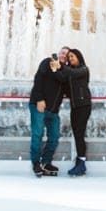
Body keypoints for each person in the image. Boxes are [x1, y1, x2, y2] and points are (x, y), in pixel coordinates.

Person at [29, 46, 69, 176]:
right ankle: (36, 164)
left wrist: (58, 69)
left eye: (67, 55)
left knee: (54, 137)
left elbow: (66, 85)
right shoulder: (47, 62)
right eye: (63, 53)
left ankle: (45, 162)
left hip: (53, 110)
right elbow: (38, 80)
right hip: (39, 106)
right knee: (37, 135)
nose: (64, 55)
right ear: (58, 53)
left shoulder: (65, 71)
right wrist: (40, 99)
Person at [52, 47, 91, 176]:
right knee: (77, 133)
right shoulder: (71, 70)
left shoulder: (83, 69)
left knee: (79, 134)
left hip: (83, 105)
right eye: (69, 57)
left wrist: (61, 65)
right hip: (75, 106)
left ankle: (81, 163)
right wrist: (55, 69)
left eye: (72, 56)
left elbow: (70, 74)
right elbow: (62, 78)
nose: (70, 59)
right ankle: (80, 162)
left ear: (79, 57)